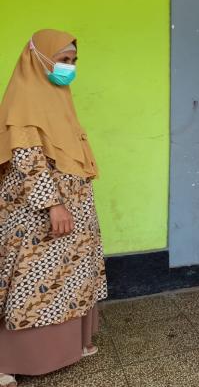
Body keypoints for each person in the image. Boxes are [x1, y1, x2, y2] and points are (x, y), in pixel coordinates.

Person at [0, 29, 106, 387]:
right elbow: (28, 159)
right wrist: (53, 205)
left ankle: (72, 345)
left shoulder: (59, 96)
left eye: (73, 61)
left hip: (72, 204)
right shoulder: (26, 98)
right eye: (63, 60)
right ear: (39, 57)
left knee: (73, 275)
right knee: (31, 278)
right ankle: (8, 361)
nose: (69, 68)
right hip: (37, 211)